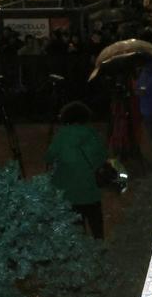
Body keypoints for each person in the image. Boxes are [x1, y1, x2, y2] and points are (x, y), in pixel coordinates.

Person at [45, 102, 108, 239]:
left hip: (69, 194)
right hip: (91, 192)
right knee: (97, 231)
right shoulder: (93, 134)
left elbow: (49, 157)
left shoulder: (61, 135)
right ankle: (99, 248)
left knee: (77, 235)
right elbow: (103, 157)